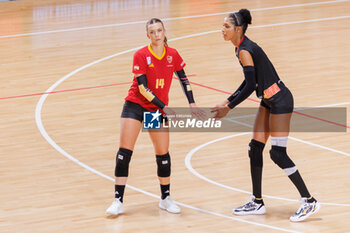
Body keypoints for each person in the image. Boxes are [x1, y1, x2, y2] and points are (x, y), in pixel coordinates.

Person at [211, 9, 320, 222]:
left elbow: (251, 85)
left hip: (280, 101)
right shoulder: (241, 48)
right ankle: (257, 201)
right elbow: (248, 81)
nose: (222, 30)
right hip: (268, 100)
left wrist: (229, 106)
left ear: (238, 29)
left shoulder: (245, 50)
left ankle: (309, 200)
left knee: (278, 154)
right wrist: (227, 100)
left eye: (226, 26)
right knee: (255, 148)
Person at [106, 18, 203, 216]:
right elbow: (143, 88)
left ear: (164, 31)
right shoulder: (141, 55)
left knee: (163, 156)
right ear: (148, 36)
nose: (157, 35)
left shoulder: (173, 54)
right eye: (152, 32)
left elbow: (184, 79)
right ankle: (118, 201)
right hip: (136, 106)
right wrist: (164, 108)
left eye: (159, 30)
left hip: (156, 111)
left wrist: (192, 103)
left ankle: (165, 199)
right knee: (124, 154)